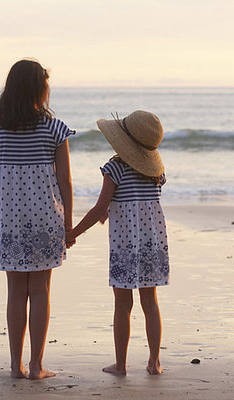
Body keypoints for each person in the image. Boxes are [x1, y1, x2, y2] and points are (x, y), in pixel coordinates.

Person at [0, 59, 75, 380]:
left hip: (10, 220)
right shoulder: (55, 129)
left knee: (16, 291)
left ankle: (15, 365)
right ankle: (36, 366)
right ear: (38, 89)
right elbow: (66, 182)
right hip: (47, 218)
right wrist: (69, 223)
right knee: (42, 290)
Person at [66, 110, 169, 375]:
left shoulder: (114, 169)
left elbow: (100, 208)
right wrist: (115, 208)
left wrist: (73, 232)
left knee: (123, 305)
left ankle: (121, 364)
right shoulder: (156, 174)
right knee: (150, 302)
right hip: (152, 244)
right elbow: (139, 203)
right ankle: (154, 362)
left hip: (125, 246)